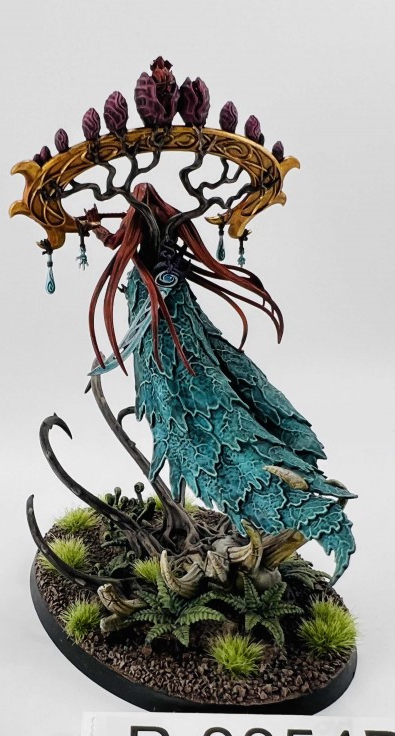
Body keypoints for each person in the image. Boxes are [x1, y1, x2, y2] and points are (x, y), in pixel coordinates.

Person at [86, 183, 356, 580]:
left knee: (227, 388)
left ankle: (285, 494)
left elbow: (121, 246)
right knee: (186, 393)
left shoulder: (162, 251)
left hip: (172, 317)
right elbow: (117, 241)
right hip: (158, 315)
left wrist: (98, 229)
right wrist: (95, 226)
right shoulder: (148, 248)